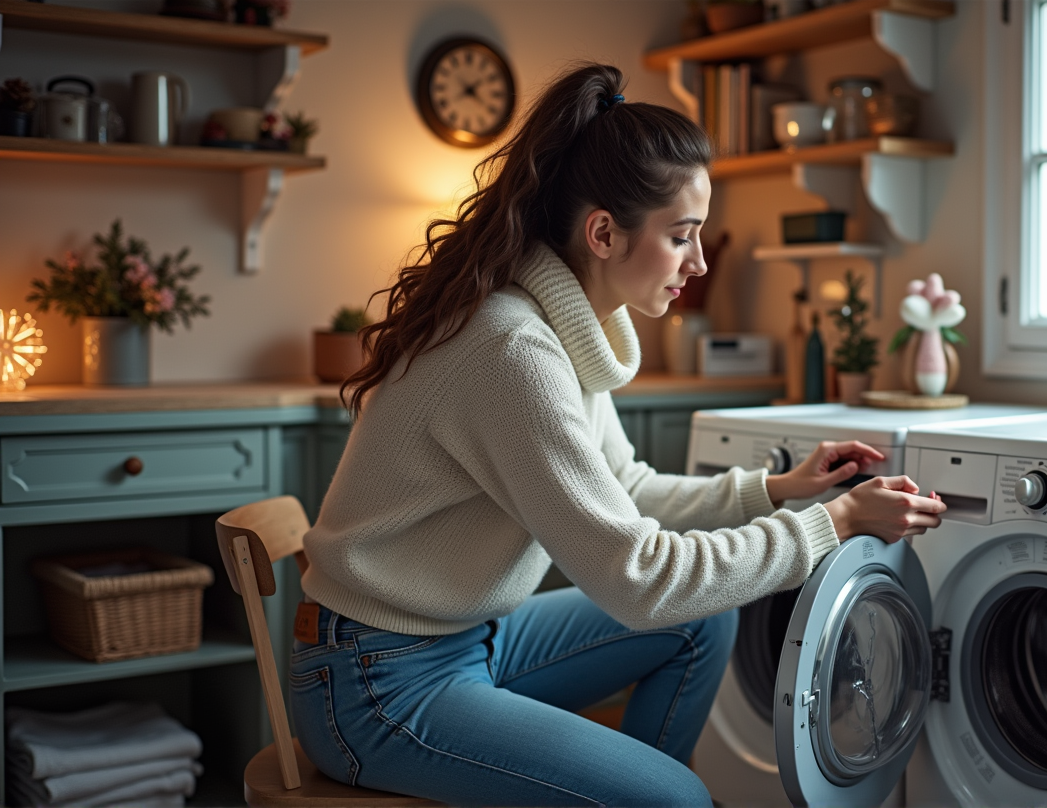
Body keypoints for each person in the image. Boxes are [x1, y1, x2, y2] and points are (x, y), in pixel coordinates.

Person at [289, 62, 947, 807]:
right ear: (604, 232)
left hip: (465, 640)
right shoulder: (512, 350)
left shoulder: (552, 327)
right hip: (378, 682)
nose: (697, 263)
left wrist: (777, 491)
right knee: (678, 800)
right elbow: (638, 579)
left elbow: (626, 489)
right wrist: (833, 523)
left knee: (702, 628)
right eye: (681, 237)